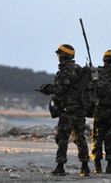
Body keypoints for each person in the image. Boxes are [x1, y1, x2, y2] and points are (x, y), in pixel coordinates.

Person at [39, 44, 90, 176]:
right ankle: (85, 166)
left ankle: (60, 166)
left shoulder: (67, 70)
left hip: (68, 110)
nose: (58, 57)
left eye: (59, 54)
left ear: (64, 55)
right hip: (79, 110)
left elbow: (61, 88)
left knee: (62, 138)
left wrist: (46, 88)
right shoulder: (78, 69)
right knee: (80, 138)